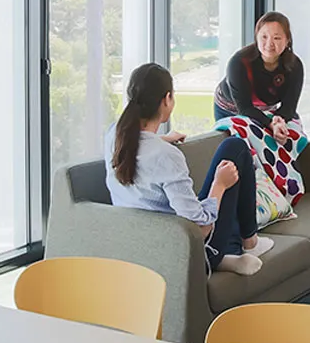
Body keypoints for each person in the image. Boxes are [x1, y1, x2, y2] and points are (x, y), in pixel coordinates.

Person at [109, 63, 271, 276]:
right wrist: (219, 185)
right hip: (185, 250)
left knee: (229, 157)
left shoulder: (114, 136)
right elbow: (199, 229)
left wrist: (161, 139)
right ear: (167, 99)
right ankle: (245, 243)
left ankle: (229, 255)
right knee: (235, 148)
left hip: (140, 247)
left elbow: (141, 150)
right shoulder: (166, 156)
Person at [213, 11, 303, 142]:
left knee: (285, 139)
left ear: (287, 40)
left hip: (266, 111)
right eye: (264, 37)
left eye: (276, 38)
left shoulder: (295, 66)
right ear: (256, 37)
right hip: (230, 108)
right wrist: (270, 123)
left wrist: (278, 121)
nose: (269, 43)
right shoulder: (239, 62)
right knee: (235, 145)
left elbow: (289, 106)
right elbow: (244, 107)